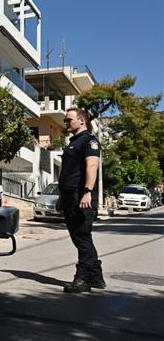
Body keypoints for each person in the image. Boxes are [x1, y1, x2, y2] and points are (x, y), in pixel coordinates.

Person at [56, 107, 105, 293]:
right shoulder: (73, 143)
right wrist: (62, 197)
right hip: (70, 196)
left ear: (82, 121)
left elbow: (92, 166)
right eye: (65, 120)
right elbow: (68, 174)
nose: (66, 123)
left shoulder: (89, 141)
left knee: (82, 236)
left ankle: (82, 279)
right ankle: (96, 277)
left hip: (81, 196)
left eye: (69, 120)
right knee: (80, 237)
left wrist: (87, 192)